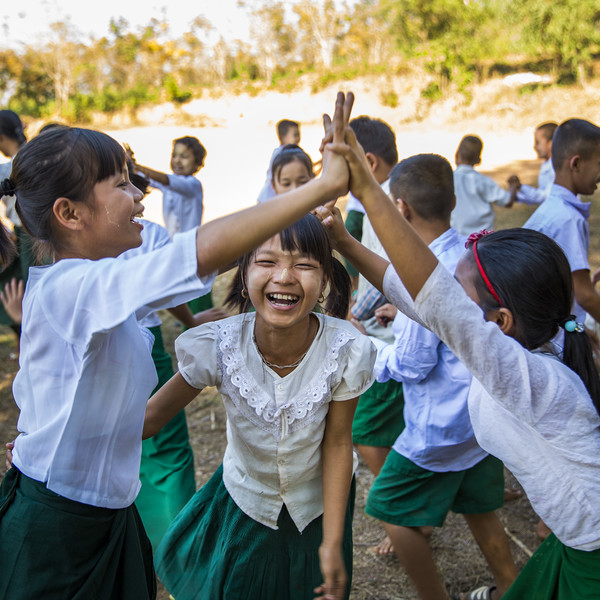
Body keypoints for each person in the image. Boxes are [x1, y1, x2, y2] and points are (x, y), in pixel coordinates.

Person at [0, 91, 353, 599]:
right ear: (70, 214)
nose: (139, 194)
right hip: (56, 529)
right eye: (121, 184)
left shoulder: (111, 269)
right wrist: (319, 185)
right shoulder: (68, 290)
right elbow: (199, 252)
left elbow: (197, 256)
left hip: (104, 516)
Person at [316, 110, 600, 599]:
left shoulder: (533, 377)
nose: (450, 299)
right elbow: (425, 302)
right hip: (578, 541)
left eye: (463, 296)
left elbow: (438, 304)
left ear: (499, 323)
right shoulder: (534, 345)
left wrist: (368, 191)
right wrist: (344, 241)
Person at [146, 213, 376, 600]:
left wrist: (332, 542)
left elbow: (337, 443)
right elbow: (149, 419)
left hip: (318, 512)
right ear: (242, 273)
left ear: (324, 280)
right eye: (267, 262)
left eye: (304, 264)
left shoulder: (346, 349)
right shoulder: (218, 346)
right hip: (245, 503)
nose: (284, 276)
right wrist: (55, 444)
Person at [321, 155, 518, 600]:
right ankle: (511, 586)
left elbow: (412, 364)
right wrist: (402, 316)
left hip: (439, 427)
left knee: (387, 507)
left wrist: (364, 344)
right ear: (452, 200)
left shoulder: (422, 273)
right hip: (477, 418)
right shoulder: (469, 254)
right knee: (481, 509)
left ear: (401, 209)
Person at [341, 115, 404, 555]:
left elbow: (402, 275)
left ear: (367, 161)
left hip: (389, 345)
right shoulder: (374, 204)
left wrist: (390, 309)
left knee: (363, 432)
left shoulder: (393, 207)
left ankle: (397, 517)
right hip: (379, 333)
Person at [524, 118, 600, 325]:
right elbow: (585, 295)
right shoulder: (568, 219)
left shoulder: (551, 210)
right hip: (555, 338)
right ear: (576, 163)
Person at [127, 136, 212, 314]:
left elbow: (164, 180)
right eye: (175, 155)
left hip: (194, 249)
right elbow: (146, 179)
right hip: (176, 249)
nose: (177, 161)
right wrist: (130, 165)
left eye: (184, 156)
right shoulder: (170, 184)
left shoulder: (192, 184)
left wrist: (138, 166)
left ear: (198, 164)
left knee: (198, 297)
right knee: (183, 294)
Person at [343, 116, 398, 288]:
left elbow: (390, 277)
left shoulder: (384, 207)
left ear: (371, 162)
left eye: (346, 164)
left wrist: (358, 312)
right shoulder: (394, 195)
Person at [0, 110, 33, 341]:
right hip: (28, 236)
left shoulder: (8, 168)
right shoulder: (40, 155)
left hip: (30, 237)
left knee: (29, 293)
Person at [451, 134, 518, 236]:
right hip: (482, 239)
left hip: (457, 237)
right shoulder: (483, 181)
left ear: (456, 155)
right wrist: (513, 187)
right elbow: (507, 202)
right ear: (479, 160)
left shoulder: (448, 180)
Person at [509, 121, 557, 205]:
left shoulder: (556, 167)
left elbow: (544, 197)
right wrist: (518, 194)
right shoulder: (546, 164)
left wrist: (521, 187)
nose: (534, 147)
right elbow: (541, 193)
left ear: (551, 144)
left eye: (537, 142)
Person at [257, 119, 301, 203]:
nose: (298, 139)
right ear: (281, 137)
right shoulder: (282, 155)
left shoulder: (288, 152)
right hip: (268, 201)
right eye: (295, 135)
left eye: (299, 135)